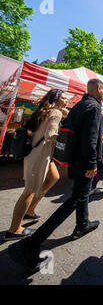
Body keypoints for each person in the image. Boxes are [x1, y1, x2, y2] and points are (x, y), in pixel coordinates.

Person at [8, 79, 103, 270]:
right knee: (75, 199)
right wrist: (92, 163)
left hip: (73, 161)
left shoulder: (78, 107)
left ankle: (82, 224)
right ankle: (31, 244)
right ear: (99, 89)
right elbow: (91, 137)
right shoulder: (94, 107)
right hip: (84, 162)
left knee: (80, 194)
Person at [4, 90, 68, 241]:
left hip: (37, 152)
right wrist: (67, 137)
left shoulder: (46, 110)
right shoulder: (55, 113)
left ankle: (30, 210)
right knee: (29, 190)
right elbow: (50, 135)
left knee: (54, 176)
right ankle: (14, 230)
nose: (67, 100)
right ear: (57, 99)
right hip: (40, 154)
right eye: (64, 98)